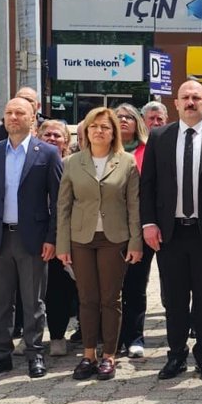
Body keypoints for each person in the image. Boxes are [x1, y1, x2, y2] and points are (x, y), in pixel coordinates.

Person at [140, 79, 202, 381]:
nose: (191, 102)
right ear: (176, 103)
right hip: (170, 234)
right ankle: (176, 355)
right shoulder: (160, 137)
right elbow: (148, 184)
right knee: (175, 300)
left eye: (197, 97)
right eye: (185, 97)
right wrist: (148, 223)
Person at [0, 98, 62, 379]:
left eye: (19, 113)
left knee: (33, 301)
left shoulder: (47, 153)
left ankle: (35, 353)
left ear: (32, 117)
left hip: (33, 239)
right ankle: (1, 354)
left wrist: (52, 238)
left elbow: (58, 201)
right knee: (1, 300)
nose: (13, 117)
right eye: (9, 112)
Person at [57, 107, 142, 381]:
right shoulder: (72, 162)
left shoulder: (127, 162)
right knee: (87, 298)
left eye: (105, 127)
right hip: (81, 239)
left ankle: (109, 355)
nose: (99, 131)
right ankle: (88, 354)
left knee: (110, 298)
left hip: (113, 239)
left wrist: (136, 242)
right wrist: (62, 245)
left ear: (113, 132)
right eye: (94, 126)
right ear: (86, 131)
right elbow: (63, 207)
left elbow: (134, 206)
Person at [38, 119, 78, 356]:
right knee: (29, 290)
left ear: (66, 141)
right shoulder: (31, 162)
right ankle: (29, 335)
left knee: (58, 288)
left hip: (64, 235)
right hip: (35, 233)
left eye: (57, 136)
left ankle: (57, 336)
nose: (52, 139)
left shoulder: (72, 165)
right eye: (47, 135)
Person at [114, 103, 152, 357]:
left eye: (129, 117)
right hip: (110, 229)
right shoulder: (103, 151)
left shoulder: (148, 150)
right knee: (111, 288)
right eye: (118, 117)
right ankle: (113, 338)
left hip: (140, 228)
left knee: (135, 286)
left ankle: (135, 337)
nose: (124, 120)